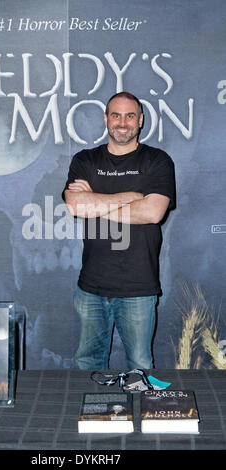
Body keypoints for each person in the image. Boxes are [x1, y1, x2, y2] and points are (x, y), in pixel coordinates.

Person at [63, 91, 175, 370]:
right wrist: (134, 196)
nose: (122, 122)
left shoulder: (157, 160)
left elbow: (153, 212)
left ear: (140, 120)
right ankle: (89, 415)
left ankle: (138, 415)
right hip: (91, 287)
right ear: (106, 119)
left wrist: (96, 203)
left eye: (129, 116)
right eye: (116, 115)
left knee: (140, 366)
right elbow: (77, 207)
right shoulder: (85, 160)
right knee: (87, 364)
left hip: (138, 287)